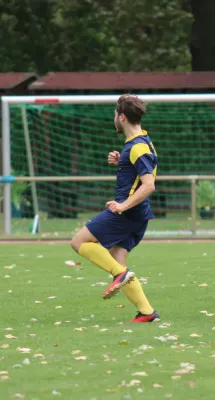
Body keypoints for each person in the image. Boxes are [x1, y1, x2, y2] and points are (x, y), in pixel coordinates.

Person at [71, 94, 160, 323]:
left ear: (122, 117)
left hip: (128, 213)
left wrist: (122, 206)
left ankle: (121, 275)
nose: (113, 118)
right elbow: (139, 174)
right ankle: (146, 312)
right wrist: (122, 159)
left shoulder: (138, 147)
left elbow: (148, 185)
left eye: (114, 114)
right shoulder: (139, 143)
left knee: (79, 241)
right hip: (139, 215)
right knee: (117, 261)